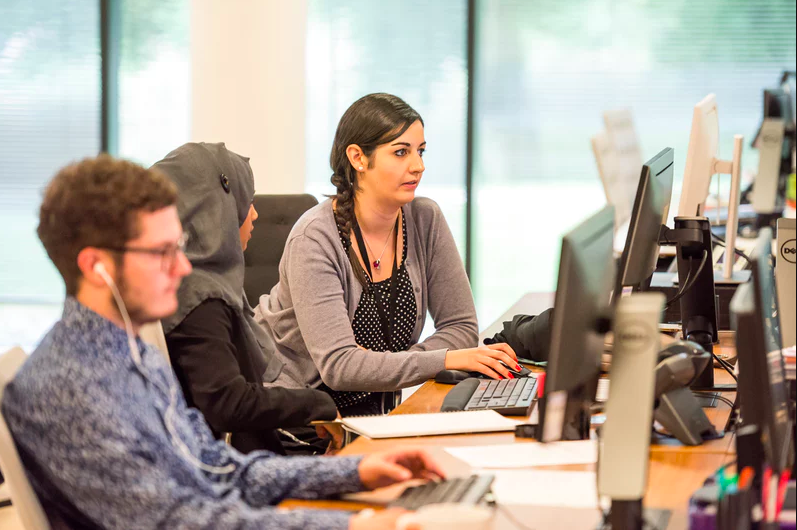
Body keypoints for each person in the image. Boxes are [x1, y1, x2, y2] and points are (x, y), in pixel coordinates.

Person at [2, 155, 444, 530]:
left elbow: (218, 467)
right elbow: (181, 521)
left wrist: (354, 472)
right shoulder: (71, 387)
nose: (181, 268)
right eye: (161, 253)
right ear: (96, 266)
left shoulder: (130, 355)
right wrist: (348, 524)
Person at [257, 93, 519, 416]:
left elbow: (461, 327)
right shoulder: (315, 238)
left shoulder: (425, 219)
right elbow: (340, 366)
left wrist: (387, 365)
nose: (418, 166)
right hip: (303, 420)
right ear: (358, 158)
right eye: (401, 152)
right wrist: (444, 359)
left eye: (420, 151)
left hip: (377, 414)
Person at [153, 142, 339, 455]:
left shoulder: (195, 285)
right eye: (245, 201)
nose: (254, 213)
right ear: (216, 210)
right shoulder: (201, 298)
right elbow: (227, 403)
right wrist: (316, 404)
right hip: (235, 469)